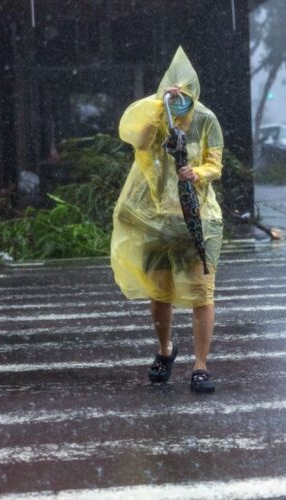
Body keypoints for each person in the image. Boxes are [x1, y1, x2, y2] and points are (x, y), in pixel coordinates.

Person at [111, 47, 224, 393]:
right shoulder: (157, 119)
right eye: (173, 95)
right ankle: (165, 350)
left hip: (198, 218)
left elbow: (216, 165)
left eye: (184, 95)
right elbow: (136, 139)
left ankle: (201, 366)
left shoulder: (206, 120)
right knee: (160, 292)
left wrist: (198, 172)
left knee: (201, 294)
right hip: (156, 219)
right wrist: (158, 108)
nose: (179, 101)